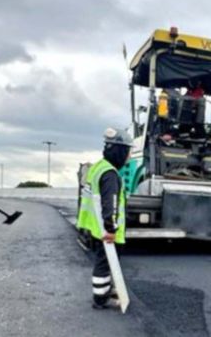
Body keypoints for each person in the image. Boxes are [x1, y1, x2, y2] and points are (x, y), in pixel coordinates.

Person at [77, 128, 132, 309]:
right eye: (128, 152)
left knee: (104, 261)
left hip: (95, 227)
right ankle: (100, 299)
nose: (129, 157)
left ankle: (106, 289)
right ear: (120, 152)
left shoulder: (98, 167)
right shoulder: (110, 175)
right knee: (104, 263)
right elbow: (111, 204)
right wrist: (111, 229)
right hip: (105, 230)